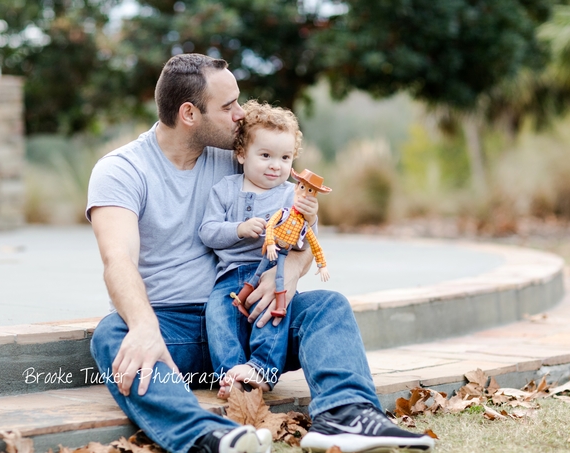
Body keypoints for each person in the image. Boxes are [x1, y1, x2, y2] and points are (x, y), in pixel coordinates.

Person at [86, 53, 435, 453]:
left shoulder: (243, 155)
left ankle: (346, 415)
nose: (240, 115)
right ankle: (205, 437)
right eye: (228, 106)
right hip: (174, 330)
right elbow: (118, 260)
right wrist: (145, 327)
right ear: (188, 113)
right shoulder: (122, 170)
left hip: (254, 319)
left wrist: (283, 275)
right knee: (113, 334)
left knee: (327, 307)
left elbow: (302, 237)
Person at [199, 101, 330, 399]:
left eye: (285, 157)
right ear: (242, 154)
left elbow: (303, 241)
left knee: (272, 315)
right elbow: (207, 231)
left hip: (274, 273)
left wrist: (309, 217)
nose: (276, 165)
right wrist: (238, 229)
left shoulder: (290, 196)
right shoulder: (225, 189)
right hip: (230, 276)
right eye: (266, 155)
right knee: (218, 316)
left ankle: (262, 369)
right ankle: (230, 373)